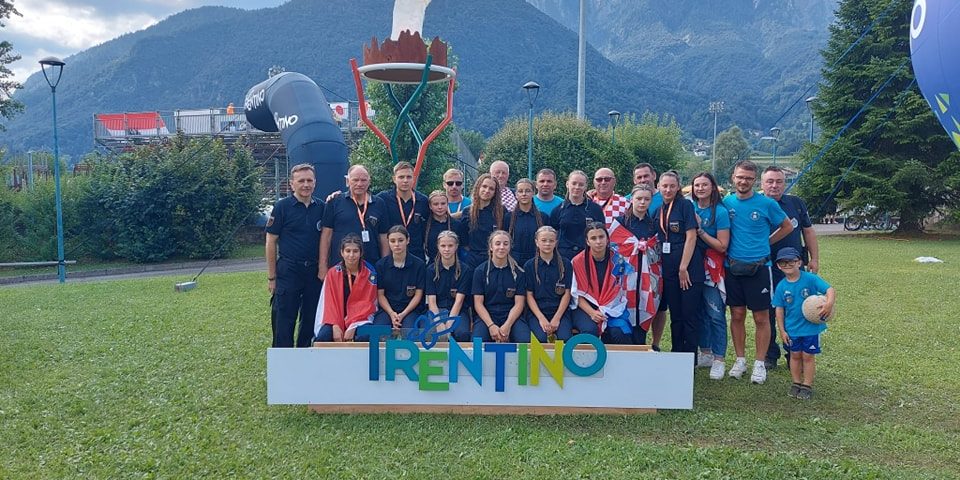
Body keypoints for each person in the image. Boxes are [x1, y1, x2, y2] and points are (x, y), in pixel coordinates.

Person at [723, 160, 794, 384]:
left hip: (760, 268)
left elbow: (787, 226)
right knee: (736, 315)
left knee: (761, 317)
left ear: (754, 181)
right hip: (733, 267)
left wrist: (767, 241)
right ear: (733, 178)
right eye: (740, 177)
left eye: (748, 178)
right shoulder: (726, 202)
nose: (743, 181)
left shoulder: (767, 204)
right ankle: (740, 360)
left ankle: (760, 363)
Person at [761, 165, 821, 370]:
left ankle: (793, 353)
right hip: (766, 266)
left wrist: (814, 259)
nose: (774, 185)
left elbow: (808, 231)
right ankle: (770, 354)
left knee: (795, 311)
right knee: (768, 311)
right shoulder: (756, 204)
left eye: (779, 181)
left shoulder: (796, 203)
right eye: (770, 181)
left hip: (793, 268)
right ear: (762, 184)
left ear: (784, 183)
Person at [265, 163, 325, 348]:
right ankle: (284, 360)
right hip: (289, 270)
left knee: (310, 319)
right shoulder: (282, 207)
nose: (306, 185)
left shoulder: (322, 207)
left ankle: (304, 357)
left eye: (309, 180)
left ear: (315, 183)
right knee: (283, 320)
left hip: (313, 272)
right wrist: (272, 277)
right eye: (301, 181)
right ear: (292, 184)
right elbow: (270, 242)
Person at [772, 247, 835, 400]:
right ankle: (796, 382)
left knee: (807, 356)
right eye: (783, 262)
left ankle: (807, 385)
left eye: (791, 261)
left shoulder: (810, 279)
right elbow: (779, 310)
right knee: (794, 355)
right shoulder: (781, 286)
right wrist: (782, 330)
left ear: (799, 262)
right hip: (792, 329)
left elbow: (829, 289)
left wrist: (829, 304)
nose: (787, 265)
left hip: (810, 329)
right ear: (778, 266)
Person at [653, 171, 704, 357]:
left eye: (672, 186)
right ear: (658, 187)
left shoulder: (685, 205)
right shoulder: (659, 210)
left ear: (678, 187)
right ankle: (676, 355)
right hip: (669, 270)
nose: (668, 190)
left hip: (688, 270)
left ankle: (690, 358)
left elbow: (691, 237)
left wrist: (683, 267)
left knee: (689, 315)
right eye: (664, 186)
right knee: (676, 315)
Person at [690, 172, 730, 379]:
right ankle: (705, 352)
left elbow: (722, 246)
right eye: (697, 185)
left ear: (713, 187)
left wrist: (700, 231)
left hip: (712, 269)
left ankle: (719, 358)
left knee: (715, 314)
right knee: (699, 313)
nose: (700, 188)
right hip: (692, 267)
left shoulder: (720, 212)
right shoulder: (690, 207)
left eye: (704, 185)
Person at [319, 165, 389, 280]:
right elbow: (326, 236)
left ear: (369, 181)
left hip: (371, 268)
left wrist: (385, 265)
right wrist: (322, 266)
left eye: (363, 180)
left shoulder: (379, 203)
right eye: (355, 180)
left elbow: (384, 237)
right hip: (340, 267)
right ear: (347, 181)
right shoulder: (335, 202)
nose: (359, 184)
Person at [613, 184, 662, 345]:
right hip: (625, 276)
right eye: (639, 198)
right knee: (624, 315)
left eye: (646, 199)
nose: (642, 202)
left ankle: (640, 345)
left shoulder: (654, 225)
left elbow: (657, 250)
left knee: (643, 311)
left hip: (647, 277)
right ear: (631, 199)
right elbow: (613, 248)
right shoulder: (620, 223)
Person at [570, 222, 634, 344]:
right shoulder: (577, 262)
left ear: (607, 239)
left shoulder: (618, 260)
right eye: (593, 238)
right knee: (590, 331)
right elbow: (575, 294)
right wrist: (592, 312)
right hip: (585, 307)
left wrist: (606, 309)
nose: (598, 241)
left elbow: (622, 289)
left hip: (611, 306)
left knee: (619, 332)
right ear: (587, 241)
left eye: (601, 237)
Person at [314, 234, 378, 342]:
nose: (351, 255)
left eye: (355, 251)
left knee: (364, 336)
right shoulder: (333, 273)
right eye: (348, 251)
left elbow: (367, 303)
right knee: (323, 337)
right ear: (342, 252)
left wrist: (353, 325)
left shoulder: (370, 273)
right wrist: (335, 325)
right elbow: (328, 303)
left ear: (361, 253)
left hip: (361, 319)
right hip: (335, 317)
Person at [518, 226, 573, 342]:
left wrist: (557, 318)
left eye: (551, 241)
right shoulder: (529, 266)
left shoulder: (566, 264)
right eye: (543, 240)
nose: (547, 244)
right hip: (537, 311)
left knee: (564, 338)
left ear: (556, 242)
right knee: (540, 338)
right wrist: (541, 318)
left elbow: (567, 293)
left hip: (560, 311)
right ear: (536, 242)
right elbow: (529, 295)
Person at [472, 230, 526, 342]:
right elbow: (478, 304)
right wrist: (491, 325)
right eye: (497, 244)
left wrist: (508, 325)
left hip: (511, 315)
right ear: (491, 247)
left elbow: (519, 303)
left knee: (524, 340)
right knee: (477, 341)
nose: (501, 247)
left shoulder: (519, 273)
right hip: (487, 315)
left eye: (505, 244)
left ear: (510, 247)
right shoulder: (480, 271)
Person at [373, 225, 426, 331]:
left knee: (409, 331)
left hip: (410, 310)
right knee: (378, 331)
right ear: (388, 242)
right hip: (387, 309)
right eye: (392, 241)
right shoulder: (381, 265)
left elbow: (418, 294)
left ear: (408, 240)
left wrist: (403, 314)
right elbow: (380, 295)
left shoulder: (419, 265)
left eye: (400, 240)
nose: (396, 244)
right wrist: (391, 313)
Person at [425, 230, 472, 342]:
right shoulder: (431, 270)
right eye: (443, 246)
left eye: (450, 246)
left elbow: (459, 301)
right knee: (430, 334)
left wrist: (449, 323)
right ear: (438, 247)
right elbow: (432, 302)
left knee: (462, 333)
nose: (446, 249)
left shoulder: (465, 270)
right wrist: (438, 322)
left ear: (456, 246)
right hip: (437, 310)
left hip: (458, 311)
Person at [377, 161, 430, 260]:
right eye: (401, 177)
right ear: (394, 179)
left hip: (416, 256)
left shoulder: (423, 201)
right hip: (391, 255)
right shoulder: (382, 199)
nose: (405, 180)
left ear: (414, 179)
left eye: (409, 177)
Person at [550, 170, 604, 260]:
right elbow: (552, 236)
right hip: (563, 258)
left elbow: (601, 234)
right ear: (567, 184)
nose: (577, 187)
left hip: (588, 256)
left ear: (586, 187)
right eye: (574, 183)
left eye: (581, 184)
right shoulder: (557, 210)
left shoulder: (595, 209)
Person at [458, 173, 510, 265]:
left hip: (494, 259)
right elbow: (463, 239)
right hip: (472, 260)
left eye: (491, 189)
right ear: (478, 187)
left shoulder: (501, 211)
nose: (487, 191)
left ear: (495, 192)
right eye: (484, 186)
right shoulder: (467, 212)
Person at [509, 178, 545, 266]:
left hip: (536, 261)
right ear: (516, 194)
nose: (524, 194)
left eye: (528, 191)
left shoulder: (543, 217)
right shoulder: (508, 217)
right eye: (520, 191)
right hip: (514, 261)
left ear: (533, 193)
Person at [423, 190, 455, 260]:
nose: (440, 207)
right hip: (431, 263)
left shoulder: (456, 224)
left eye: (443, 203)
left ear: (447, 204)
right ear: (430, 206)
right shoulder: (424, 225)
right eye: (436, 204)